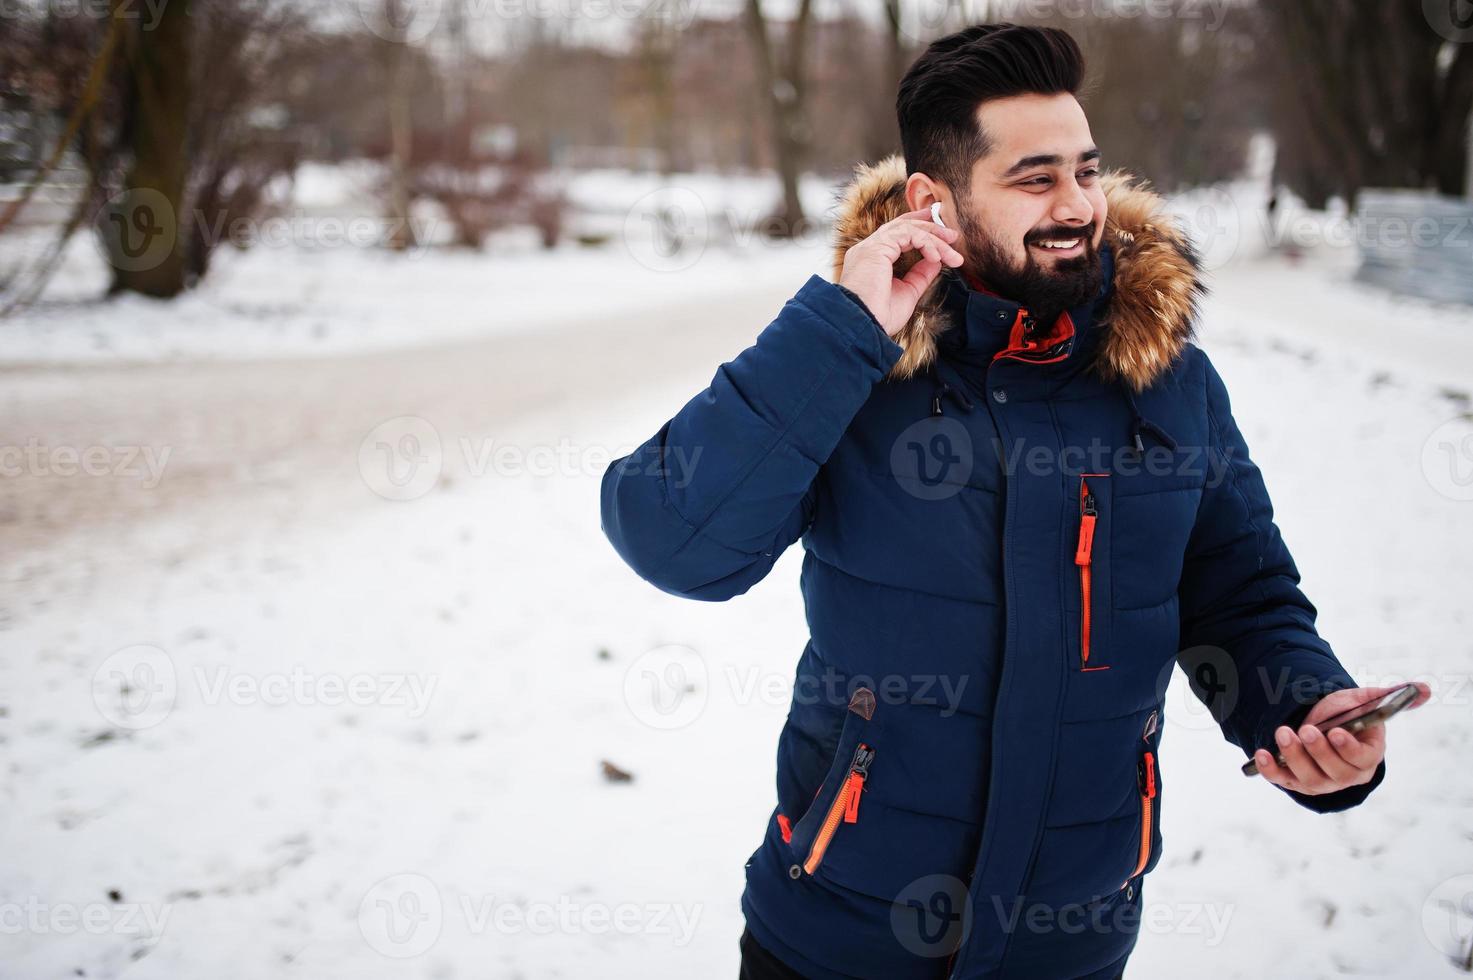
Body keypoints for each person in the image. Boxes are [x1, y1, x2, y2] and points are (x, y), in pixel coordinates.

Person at [600, 23, 1429, 980]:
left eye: (1085, 169)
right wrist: (839, 328)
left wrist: (1306, 709)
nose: (1079, 204)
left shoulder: (1168, 382)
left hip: (1068, 944)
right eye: (1034, 179)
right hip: (837, 938)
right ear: (932, 203)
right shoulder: (856, 365)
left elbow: (1240, 599)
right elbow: (673, 541)